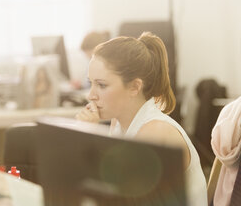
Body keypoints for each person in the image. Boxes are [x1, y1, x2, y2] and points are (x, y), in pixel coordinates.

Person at [75, 32, 207, 206]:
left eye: (102, 85)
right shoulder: (118, 123)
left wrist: (87, 138)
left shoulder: (156, 132)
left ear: (135, 87)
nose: (91, 95)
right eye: (91, 83)